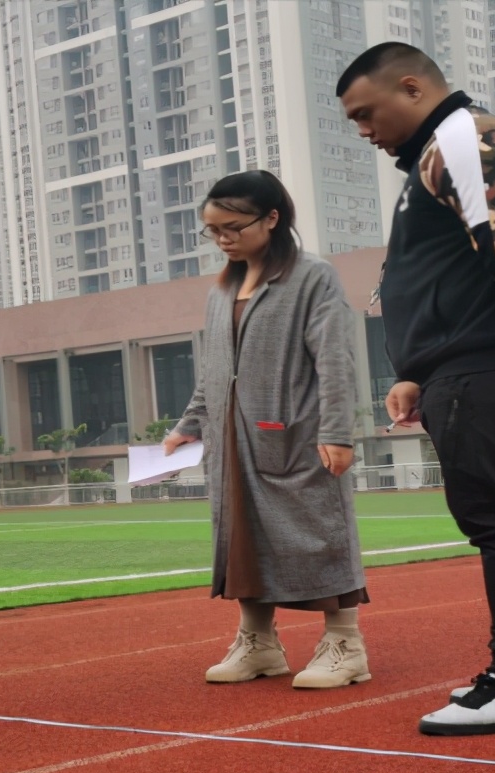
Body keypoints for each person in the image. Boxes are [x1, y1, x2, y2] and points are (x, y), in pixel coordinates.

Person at [338, 43, 495, 734]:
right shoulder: (434, 156)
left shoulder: (463, 137)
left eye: (366, 112)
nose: (362, 130)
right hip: (466, 368)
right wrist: (417, 368)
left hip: (490, 368)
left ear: (411, 87)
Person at [164, 171, 368, 690]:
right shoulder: (222, 289)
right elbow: (214, 369)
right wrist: (189, 424)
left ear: (272, 219)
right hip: (232, 441)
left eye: (232, 227)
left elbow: (337, 361)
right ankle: (259, 643)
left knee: (318, 535)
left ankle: (345, 644)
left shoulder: (312, 277)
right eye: (211, 230)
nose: (222, 239)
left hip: (298, 435)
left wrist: (338, 432)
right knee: (242, 539)